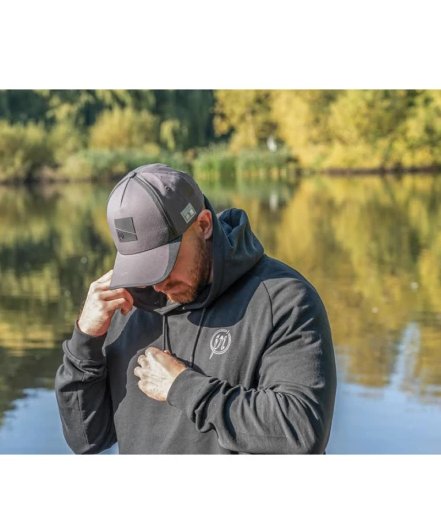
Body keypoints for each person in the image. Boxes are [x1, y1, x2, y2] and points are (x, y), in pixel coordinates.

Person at [55, 163, 337, 454]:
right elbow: (86, 438)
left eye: (164, 262)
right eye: (143, 267)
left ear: (203, 225)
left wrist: (183, 387)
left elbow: (302, 431)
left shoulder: (284, 299)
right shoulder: (126, 305)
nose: (157, 284)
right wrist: (85, 340)